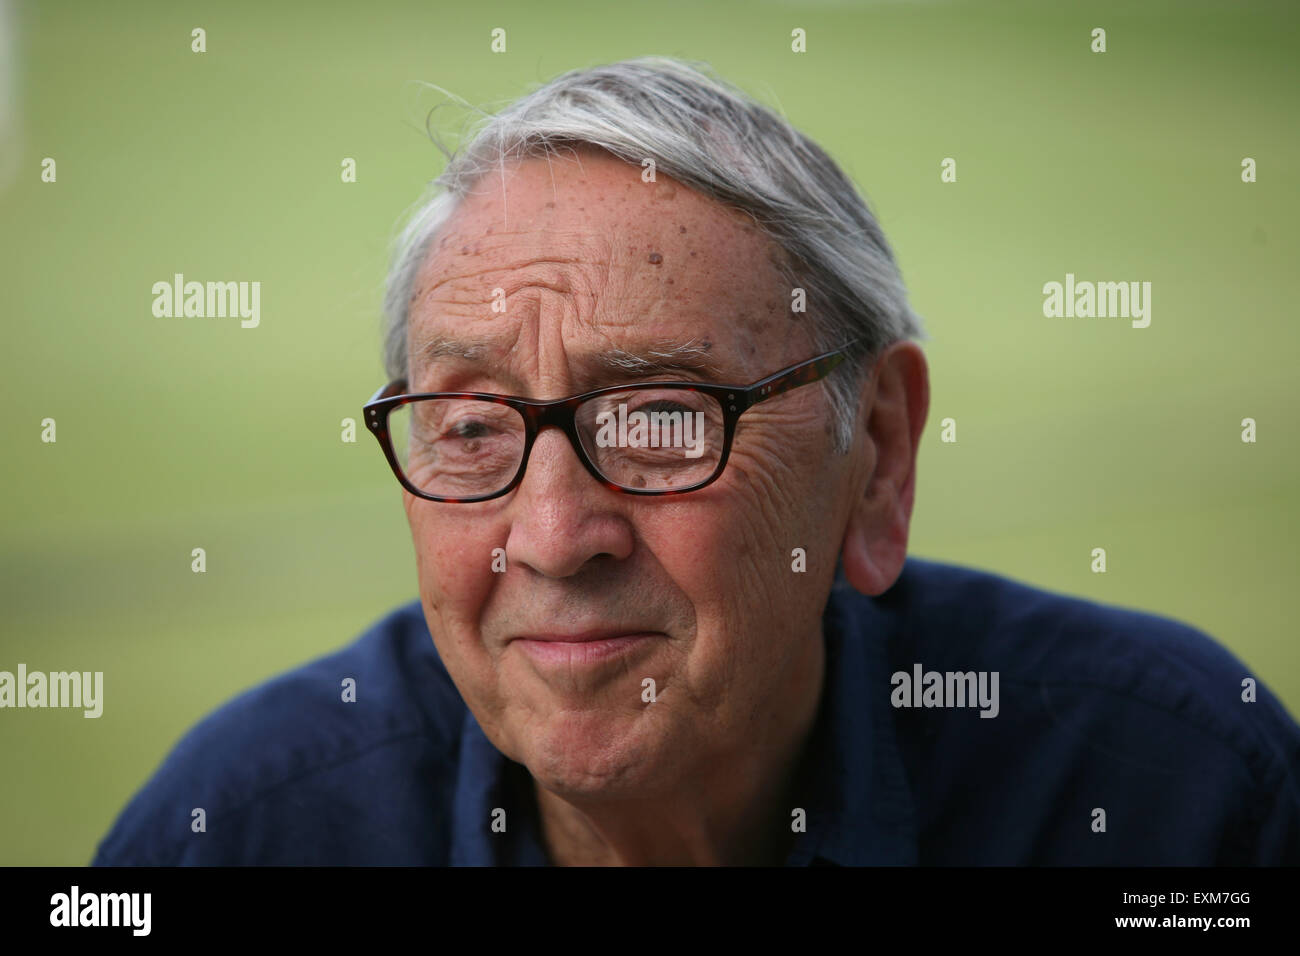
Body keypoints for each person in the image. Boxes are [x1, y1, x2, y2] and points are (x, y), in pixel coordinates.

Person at [93, 56, 1300, 866]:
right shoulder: (243, 830)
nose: (555, 537)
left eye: (661, 417)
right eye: (470, 426)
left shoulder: (1173, 796)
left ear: (873, 455)